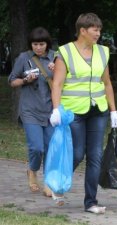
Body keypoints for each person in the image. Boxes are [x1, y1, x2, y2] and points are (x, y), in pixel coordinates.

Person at [50, 13, 117, 213]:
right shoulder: (65, 52)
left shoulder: (103, 52)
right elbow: (57, 83)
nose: (98, 33)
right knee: (78, 153)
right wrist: (56, 109)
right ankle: (57, 181)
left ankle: (91, 202)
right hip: (74, 111)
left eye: (99, 29)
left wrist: (113, 110)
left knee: (95, 156)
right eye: (94, 29)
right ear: (82, 30)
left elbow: (106, 83)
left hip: (98, 110)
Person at [8, 27, 55, 198]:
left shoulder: (56, 57)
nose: (38, 47)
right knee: (36, 147)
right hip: (30, 110)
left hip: (51, 111)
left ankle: (49, 183)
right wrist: (25, 80)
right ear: (31, 44)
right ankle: (32, 170)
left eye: (41, 44)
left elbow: (66, 81)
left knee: (50, 148)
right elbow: (12, 81)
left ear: (47, 44)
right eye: (35, 44)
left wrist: (56, 70)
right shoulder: (24, 58)